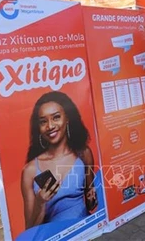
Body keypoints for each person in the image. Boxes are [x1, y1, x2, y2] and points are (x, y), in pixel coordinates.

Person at [21, 91, 97, 229]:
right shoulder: (30, 170)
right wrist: (40, 203)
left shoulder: (83, 154)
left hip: (87, 233)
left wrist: (93, 197)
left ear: (67, 118)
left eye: (56, 117)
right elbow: (30, 231)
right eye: (43, 121)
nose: (50, 126)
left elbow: (91, 199)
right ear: (38, 127)